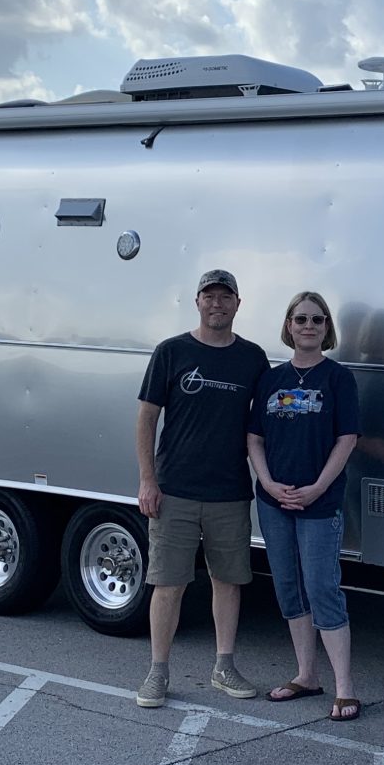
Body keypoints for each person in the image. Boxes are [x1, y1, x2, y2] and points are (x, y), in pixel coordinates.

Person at [134, 270, 271, 709]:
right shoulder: (172, 351)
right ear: (197, 302)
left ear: (237, 304)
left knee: (227, 581)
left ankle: (223, 666)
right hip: (174, 490)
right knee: (168, 584)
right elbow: (147, 418)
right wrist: (148, 479)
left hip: (229, 492)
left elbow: (264, 425)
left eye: (225, 297)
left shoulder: (252, 358)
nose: (217, 304)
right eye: (209, 296)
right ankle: (158, 672)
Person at [248, 291, 364, 721]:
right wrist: (267, 482)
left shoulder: (338, 378)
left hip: (319, 503)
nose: (309, 326)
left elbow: (346, 439)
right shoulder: (271, 379)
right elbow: (254, 438)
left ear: (327, 327)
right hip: (274, 501)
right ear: (289, 326)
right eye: (301, 319)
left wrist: (317, 488)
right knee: (288, 587)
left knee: (321, 587)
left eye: (317, 319)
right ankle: (306, 675)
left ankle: (345, 688)